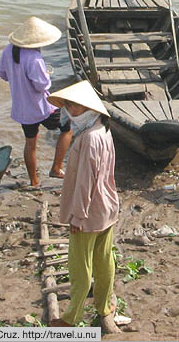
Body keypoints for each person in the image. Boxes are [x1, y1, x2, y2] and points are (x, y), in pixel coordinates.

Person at [46, 80, 120, 333]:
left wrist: (78, 215)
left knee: (80, 266)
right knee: (104, 260)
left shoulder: (89, 138)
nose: (69, 110)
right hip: (106, 206)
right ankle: (104, 308)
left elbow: (86, 181)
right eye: (67, 105)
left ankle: (71, 317)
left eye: (74, 106)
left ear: (87, 107)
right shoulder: (103, 130)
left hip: (88, 211)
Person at [0, 16, 72, 187]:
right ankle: (56, 168)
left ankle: (34, 181)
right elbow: (41, 86)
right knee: (67, 129)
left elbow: (2, 74)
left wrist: (18, 79)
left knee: (30, 142)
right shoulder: (34, 58)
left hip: (22, 108)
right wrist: (47, 75)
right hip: (41, 107)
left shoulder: (9, 50)